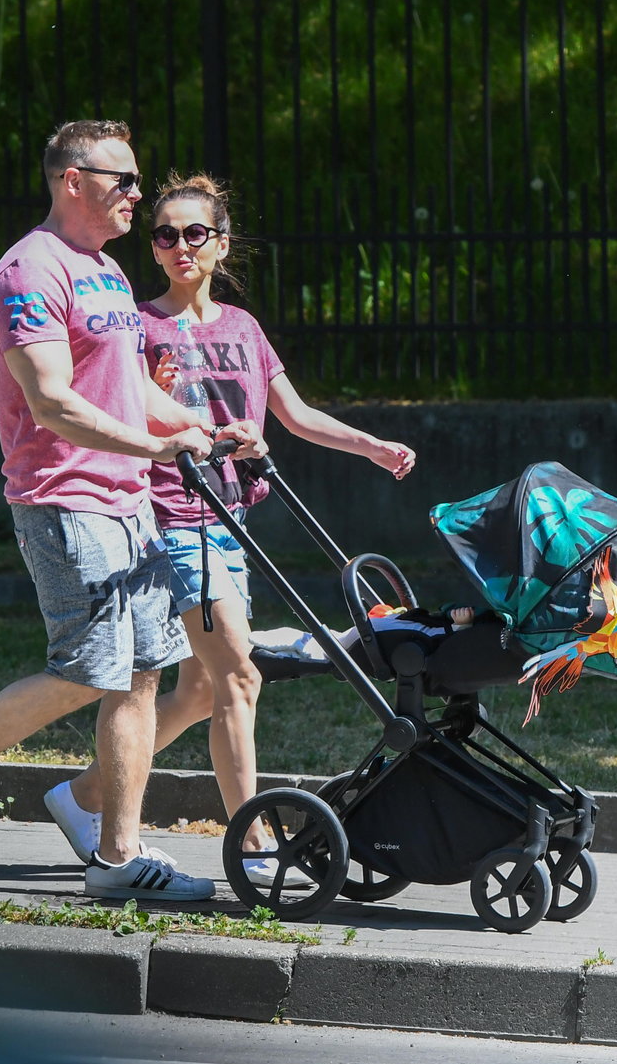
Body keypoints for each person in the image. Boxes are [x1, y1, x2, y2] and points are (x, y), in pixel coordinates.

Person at [0, 123, 265, 902]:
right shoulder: (28, 272)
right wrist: (155, 448)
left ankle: (116, 857)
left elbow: (129, 388)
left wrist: (193, 427)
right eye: (122, 180)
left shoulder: (102, 272)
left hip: (127, 500)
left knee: (138, 676)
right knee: (89, 670)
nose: (137, 194)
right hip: (65, 499)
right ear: (72, 180)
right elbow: (54, 402)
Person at [44, 171, 416, 885]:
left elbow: (296, 416)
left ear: (220, 242)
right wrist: (205, 425)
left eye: (194, 233)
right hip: (169, 518)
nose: (179, 246)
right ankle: (252, 848)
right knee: (240, 678)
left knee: (200, 693)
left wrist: (370, 445)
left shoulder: (243, 328)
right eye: (164, 234)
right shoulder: (138, 323)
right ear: (152, 247)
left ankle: (84, 793)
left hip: (230, 521)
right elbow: (127, 405)